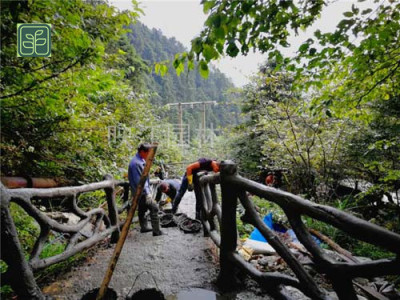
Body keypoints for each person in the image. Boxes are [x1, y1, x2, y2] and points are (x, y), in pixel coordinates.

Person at [128, 143, 162, 236]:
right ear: (143, 152)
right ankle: (156, 231)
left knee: (142, 209)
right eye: (148, 153)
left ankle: (144, 227)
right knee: (154, 207)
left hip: (140, 192)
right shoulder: (136, 163)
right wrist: (147, 193)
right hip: (141, 192)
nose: (149, 155)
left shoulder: (139, 160)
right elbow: (139, 181)